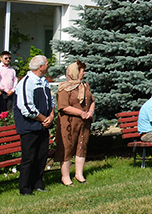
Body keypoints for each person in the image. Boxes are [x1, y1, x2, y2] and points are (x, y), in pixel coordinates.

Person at [14, 55, 54, 195]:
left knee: (41, 156)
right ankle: (25, 188)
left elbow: (51, 101)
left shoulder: (44, 81)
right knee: (29, 158)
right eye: (47, 63)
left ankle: (38, 184)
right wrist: (44, 119)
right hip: (29, 127)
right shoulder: (26, 82)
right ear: (40, 67)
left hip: (43, 126)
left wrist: (51, 116)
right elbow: (26, 107)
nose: (49, 66)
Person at [54, 60, 94, 185]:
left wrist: (90, 111)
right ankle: (65, 177)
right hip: (69, 122)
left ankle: (79, 174)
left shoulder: (85, 86)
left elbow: (92, 100)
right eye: (82, 71)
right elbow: (63, 106)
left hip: (84, 122)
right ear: (74, 73)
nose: (84, 73)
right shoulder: (64, 88)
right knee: (67, 147)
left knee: (82, 145)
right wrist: (80, 113)